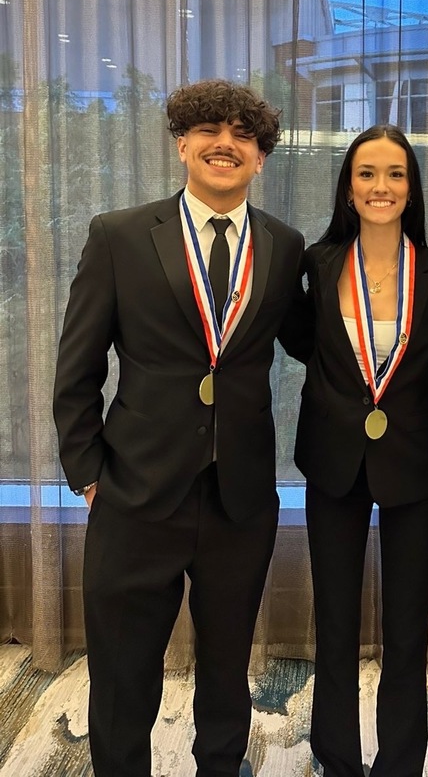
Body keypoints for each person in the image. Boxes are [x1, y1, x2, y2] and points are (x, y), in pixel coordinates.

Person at [53, 79, 305, 777]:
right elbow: (76, 368)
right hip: (133, 489)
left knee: (228, 669)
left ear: (260, 158)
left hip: (241, 496)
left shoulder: (284, 247)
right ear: (182, 145)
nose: (225, 143)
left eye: (243, 136)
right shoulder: (121, 235)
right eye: (208, 131)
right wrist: (88, 475)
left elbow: (318, 344)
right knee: (124, 670)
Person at [294, 124, 428, 777]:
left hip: (415, 464)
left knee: (407, 632)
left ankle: (399, 764)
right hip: (333, 461)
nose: (380, 186)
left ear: (412, 187)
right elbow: (302, 342)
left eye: (394, 173)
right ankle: (337, 760)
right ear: (348, 186)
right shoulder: (317, 262)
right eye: (366, 173)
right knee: (334, 626)